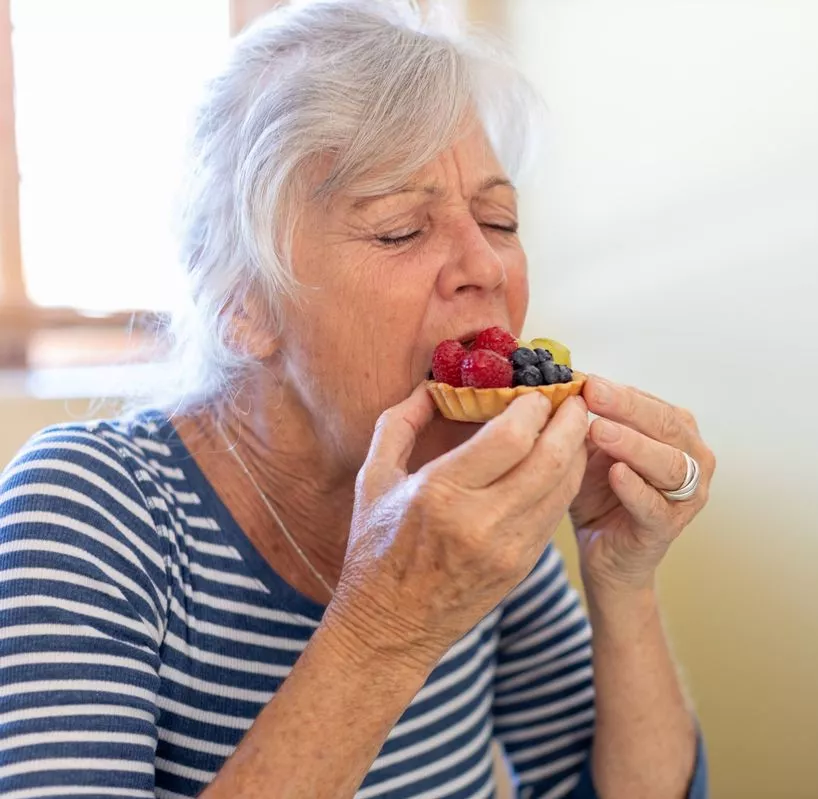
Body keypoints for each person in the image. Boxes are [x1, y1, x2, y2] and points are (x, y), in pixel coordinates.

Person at [0, 2, 714, 796]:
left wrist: (621, 578)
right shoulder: (85, 511)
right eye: (400, 230)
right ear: (244, 303)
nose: (484, 263)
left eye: (498, 218)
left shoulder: (469, 498)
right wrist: (387, 628)